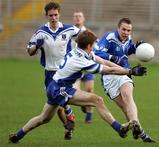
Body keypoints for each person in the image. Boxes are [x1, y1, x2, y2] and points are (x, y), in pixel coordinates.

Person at [9, 30, 147, 144]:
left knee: (44, 118)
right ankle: (119, 129)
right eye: (94, 44)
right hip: (59, 88)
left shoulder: (82, 51)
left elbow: (105, 62)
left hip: (55, 86)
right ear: (88, 46)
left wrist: (126, 70)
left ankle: (17, 136)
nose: (95, 46)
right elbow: (108, 70)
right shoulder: (80, 60)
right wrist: (130, 71)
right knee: (97, 100)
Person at [94, 17, 155, 143]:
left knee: (128, 96)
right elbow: (97, 53)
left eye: (129, 30)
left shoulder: (128, 39)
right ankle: (140, 131)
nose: (126, 33)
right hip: (108, 77)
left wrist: (136, 47)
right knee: (125, 107)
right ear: (118, 28)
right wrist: (113, 58)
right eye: (124, 29)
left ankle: (138, 127)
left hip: (125, 72)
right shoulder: (109, 37)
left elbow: (128, 49)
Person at [25, 2, 80, 140]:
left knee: (60, 100)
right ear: (46, 16)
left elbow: (85, 37)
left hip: (65, 71)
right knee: (58, 106)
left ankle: (70, 116)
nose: (54, 18)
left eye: (56, 15)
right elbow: (30, 51)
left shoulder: (69, 29)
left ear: (59, 14)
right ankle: (68, 127)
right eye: (51, 15)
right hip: (49, 73)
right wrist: (36, 47)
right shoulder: (41, 32)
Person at [72, 11, 94, 123]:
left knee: (89, 89)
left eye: (79, 16)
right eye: (75, 16)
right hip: (74, 66)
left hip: (87, 65)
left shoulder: (87, 33)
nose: (77, 18)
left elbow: (96, 44)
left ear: (84, 18)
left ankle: (89, 112)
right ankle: (84, 102)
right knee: (76, 90)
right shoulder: (69, 32)